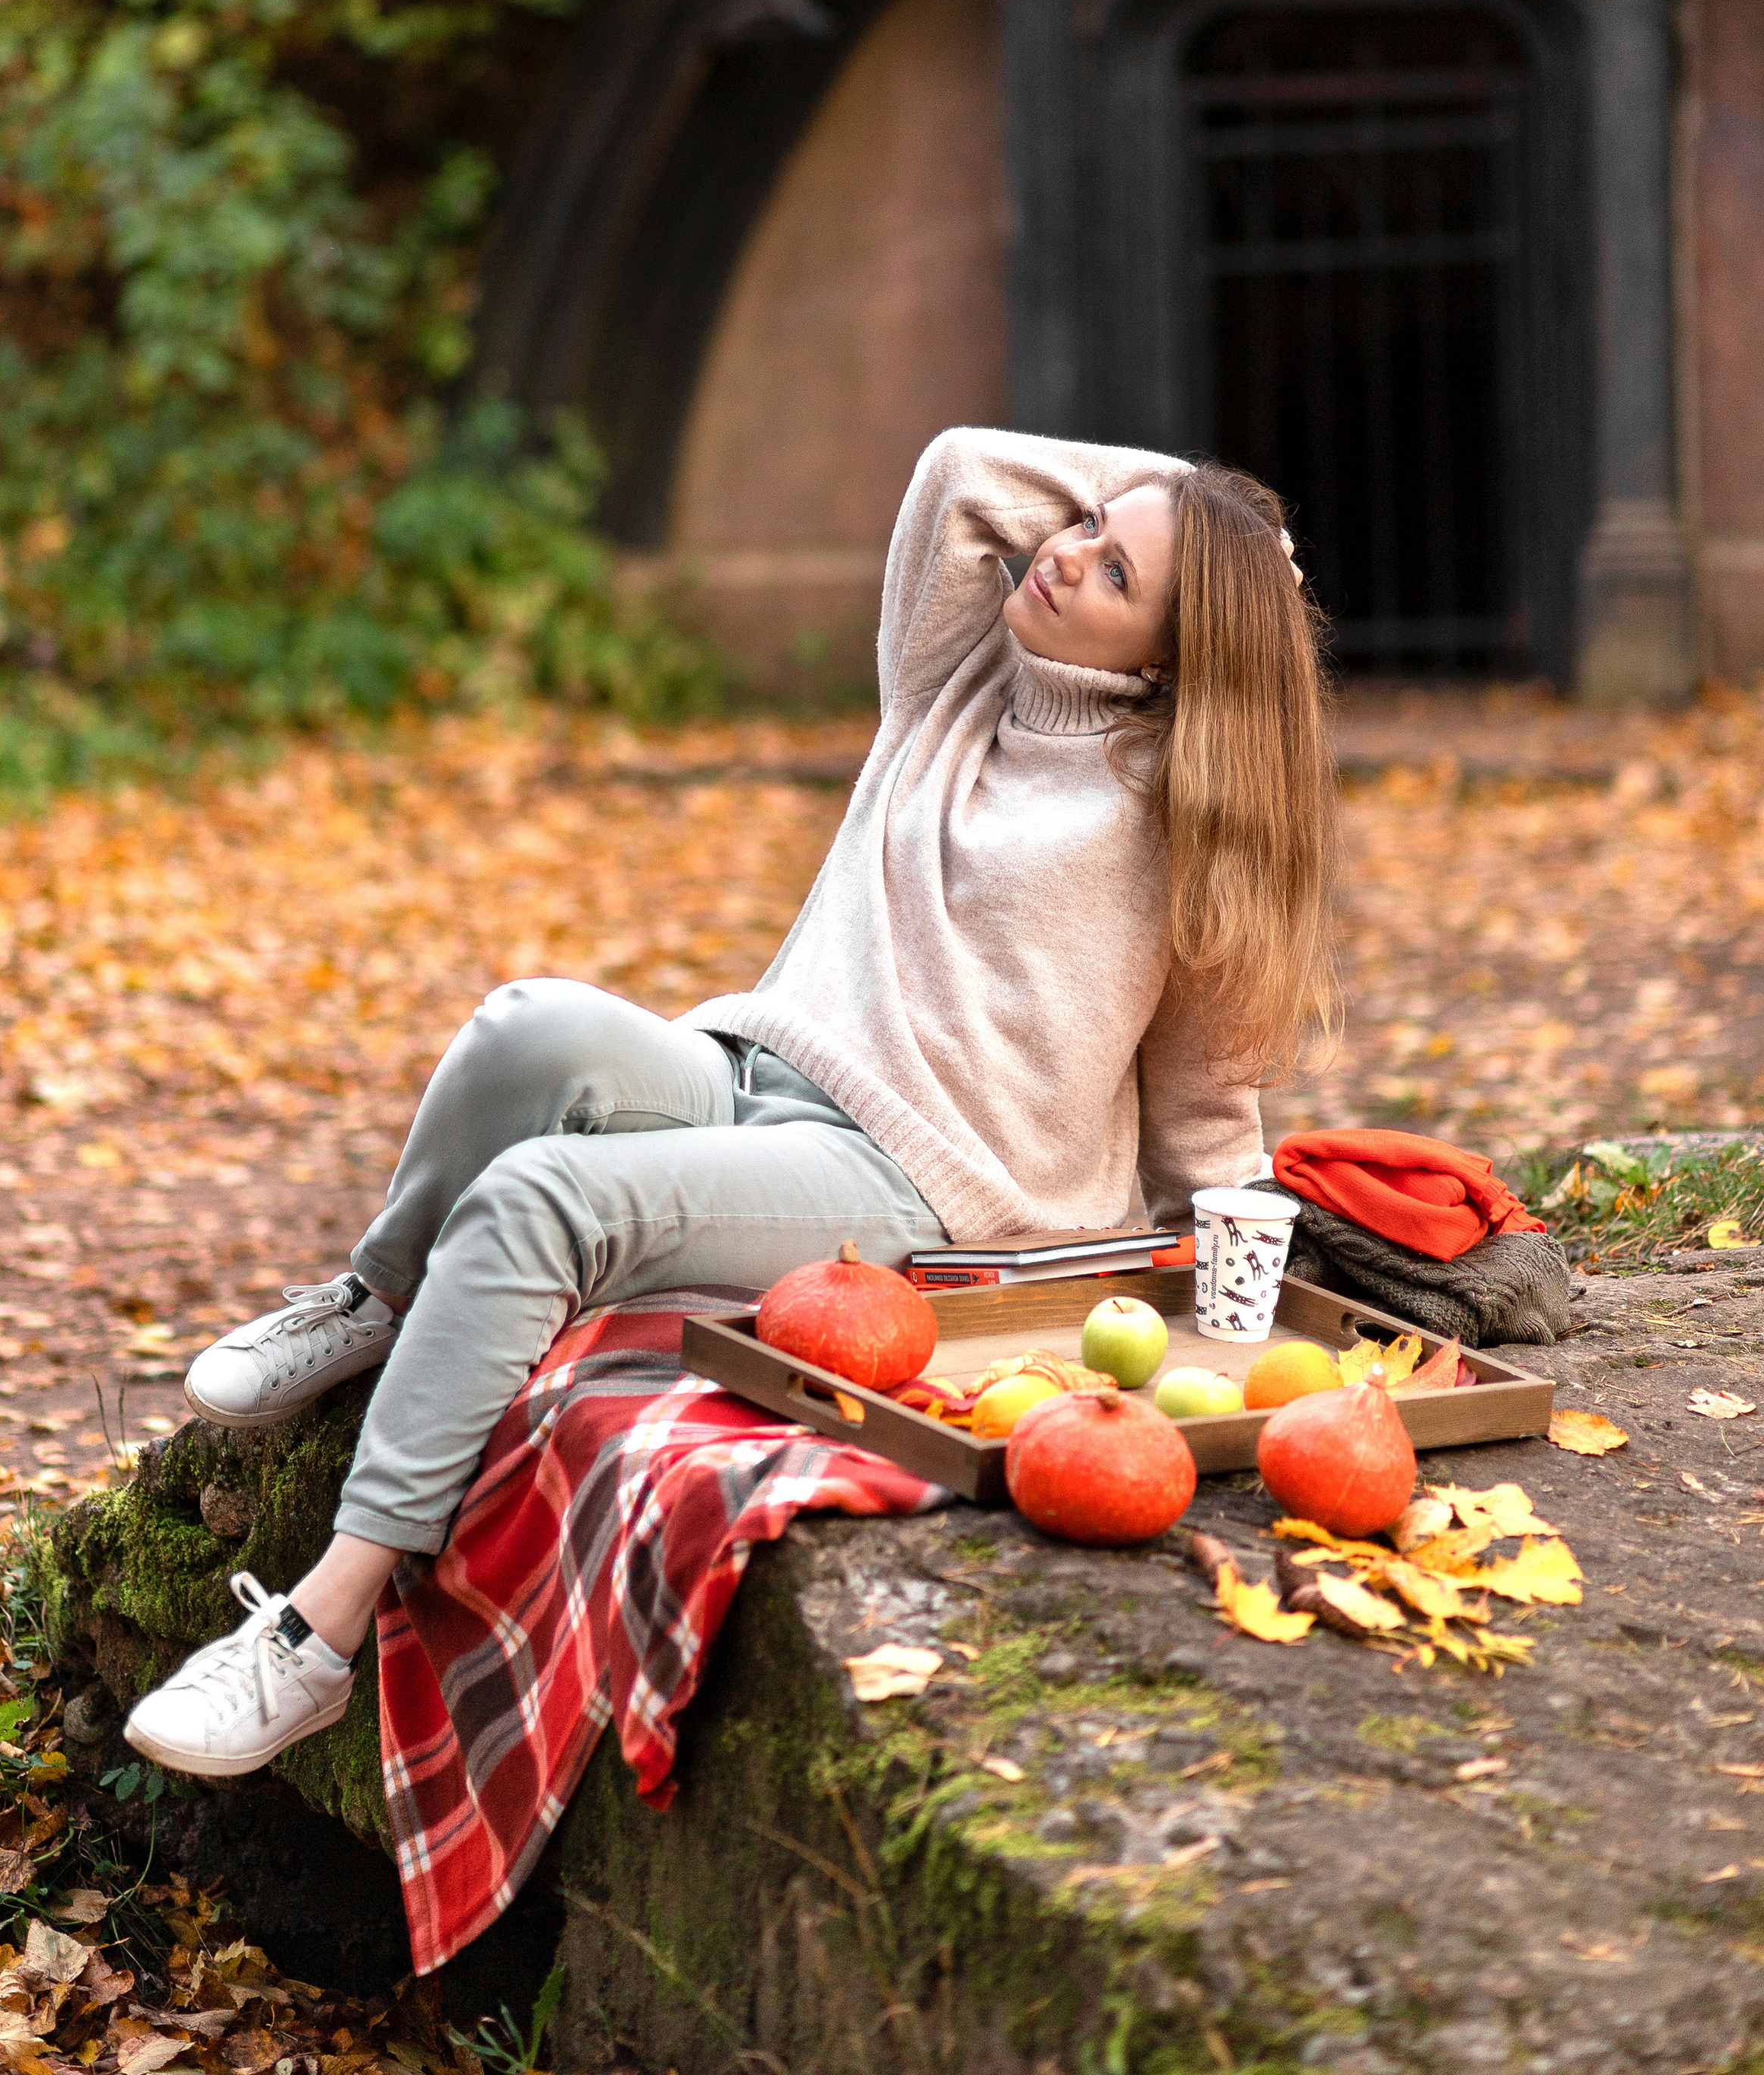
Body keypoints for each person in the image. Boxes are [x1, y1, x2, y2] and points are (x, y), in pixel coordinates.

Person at [121, 428, 1337, 1780]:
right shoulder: (956, 677)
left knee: (542, 1200)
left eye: (1111, 573)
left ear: (1175, 658)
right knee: (528, 1027)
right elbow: (954, 472)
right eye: (1083, 525)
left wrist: (1243, 1276)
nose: (1059, 552)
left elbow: (1211, 1098)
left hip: (916, 1188)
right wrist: (1198, 506)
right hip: (762, 1070)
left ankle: (317, 1634)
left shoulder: (1193, 810)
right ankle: (380, 1303)